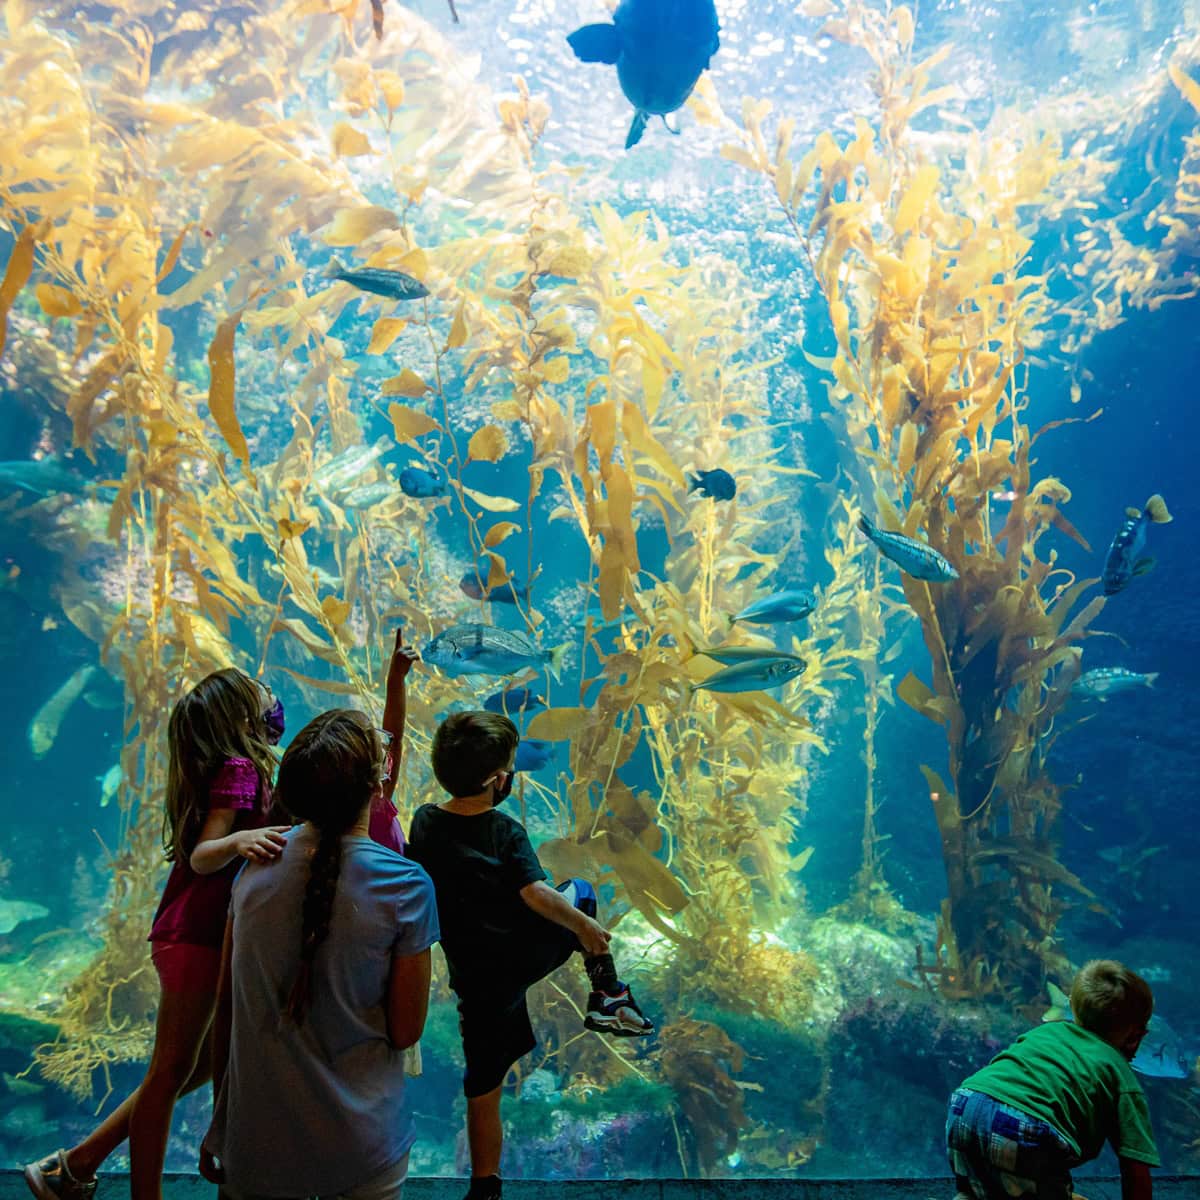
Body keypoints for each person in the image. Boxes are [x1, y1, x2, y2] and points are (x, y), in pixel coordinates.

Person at [24, 668, 290, 1200]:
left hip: (207, 936)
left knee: (186, 1070)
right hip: (195, 934)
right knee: (170, 1073)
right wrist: (244, 839)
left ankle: (74, 1166)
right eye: (259, 694)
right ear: (240, 716)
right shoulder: (239, 767)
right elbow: (202, 854)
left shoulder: (245, 765)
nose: (271, 699)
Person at [407, 710, 653, 1200]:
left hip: (476, 978)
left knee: (483, 1085)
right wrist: (586, 927)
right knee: (578, 890)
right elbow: (536, 893)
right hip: (523, 954)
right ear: (499, 780)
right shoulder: (507, 831)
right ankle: (607, 992)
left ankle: (484, 1187)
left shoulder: (426, 822)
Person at [200, 706, 438, 1200]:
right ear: (376, 787)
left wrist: (219, 1119)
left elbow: (227, 1011)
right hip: (364, 1150)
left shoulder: (252, 872)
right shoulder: (407, 886)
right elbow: (406, 1030)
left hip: (254, 1146)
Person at [946, 959, 1159, 1200]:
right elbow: (1135, 1168)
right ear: (1136, 1036)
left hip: (966, 1105)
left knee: (981, 1191)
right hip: (1027, 1129)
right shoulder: (1121, 1074)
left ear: (1074, 1008)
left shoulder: (1046, 1031)